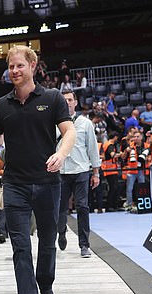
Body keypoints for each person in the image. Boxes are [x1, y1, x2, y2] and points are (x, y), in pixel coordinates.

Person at [0, 45, 76, 294]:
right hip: (14, 184)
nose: (14, 71)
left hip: (48, 183)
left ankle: (46, 284)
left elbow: (69, 132)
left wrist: (61, 154)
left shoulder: (52, 98)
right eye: (11, 67)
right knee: (20, 246)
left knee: (47, 241)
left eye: (19, 66)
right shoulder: (1, 105)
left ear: (32, 66)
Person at [57, 91, 101, 258]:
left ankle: (84, 245)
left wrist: (96, 172)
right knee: (60, 209)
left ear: (75, 102)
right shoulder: (53, 123)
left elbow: (92, 148)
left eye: (70, 100)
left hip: (81, 170)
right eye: (64, 100)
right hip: (60, 172)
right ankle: (61, 232)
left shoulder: (85, 123)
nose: (67, 103)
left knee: (82, 207)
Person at [101, 131, 123, 211]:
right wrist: (121, 154)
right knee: (113, 188)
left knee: (114, 187)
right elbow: (113, 155)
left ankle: (113, 205)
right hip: (110, 170)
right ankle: (110, 206)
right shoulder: (110, 145)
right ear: (115, 137)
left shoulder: (107, 144)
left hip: (110, 169)